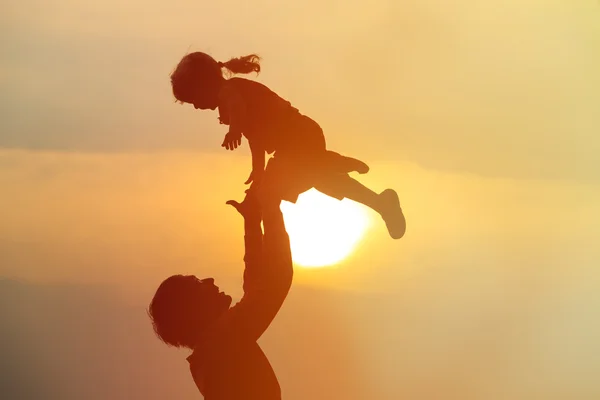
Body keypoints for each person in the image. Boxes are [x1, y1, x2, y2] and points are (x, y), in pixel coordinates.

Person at [170, 51, 406, 239]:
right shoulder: (231, 99)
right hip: (296, 143)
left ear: (204, 85)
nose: (196, 106)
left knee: (273, 192)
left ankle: (334, 162)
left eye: (194, 99)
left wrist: (234, 130)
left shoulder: (230, 91)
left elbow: (238, 110)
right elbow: (255, 137)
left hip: (298, 138)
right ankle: (380, 202)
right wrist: (258, 169)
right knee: (323, 181)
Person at [148, 191, 292, 399]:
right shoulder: (225, 342)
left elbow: (257, 288)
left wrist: (253, 223)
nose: (210, 280)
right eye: (197, 283)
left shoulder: (209, 355)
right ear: (192, 309)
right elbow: (275, 281)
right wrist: (270, 206)